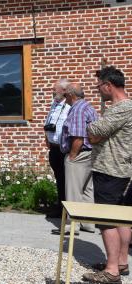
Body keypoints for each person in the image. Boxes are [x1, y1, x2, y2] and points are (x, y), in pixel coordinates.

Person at [82, 66, 132, 284]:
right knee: (121, 217)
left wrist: (93, 131)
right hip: (119, 170)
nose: (98, 91)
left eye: (98, 86)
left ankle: (112, 271)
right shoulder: (124, 108)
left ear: (108, 85)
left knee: (106, 220)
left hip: (110, 170)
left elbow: (95, 132)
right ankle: (121, 262)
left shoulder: (121, 108)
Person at [52, 83, 98, 235]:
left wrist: (72, 156)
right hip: (90, 153)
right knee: (86, 190)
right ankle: (88, 223)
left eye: (66, 96)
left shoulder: (78, 109)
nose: (65, 99)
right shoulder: (88, 107)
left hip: (79, 154)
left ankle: (71, 226)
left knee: (72, 190)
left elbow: (78, 136)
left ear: (71, 95)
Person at [44, 79, 72, 218]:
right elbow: (48, 123)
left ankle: (67, 211)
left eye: (55, 89)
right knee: (59, 179)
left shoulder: (69, 107)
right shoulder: (53, 105)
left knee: (66, 181)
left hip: (64, 150)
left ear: (64, 91)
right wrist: (47, 138)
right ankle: (60, 208)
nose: (52, 91)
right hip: (53, 149)